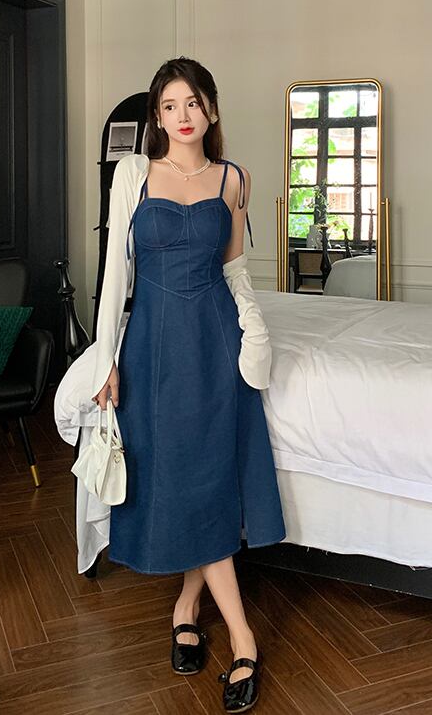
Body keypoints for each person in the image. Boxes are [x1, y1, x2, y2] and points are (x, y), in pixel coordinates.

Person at [92, 56, 286, 713]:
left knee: (208, 478)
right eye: (170, 105)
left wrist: (255, 335)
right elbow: (115, 274)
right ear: (157, 115)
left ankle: (213, 620)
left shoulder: (234, 178)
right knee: (174, 476)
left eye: (193, 102)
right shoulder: (132, 174)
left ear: (211, 110)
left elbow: (236, 271)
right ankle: (218, 621)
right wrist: (106, 359)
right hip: (151, 347)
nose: (183, 115)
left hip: (214, 341)